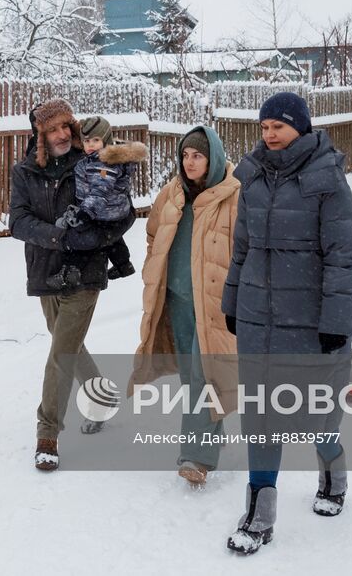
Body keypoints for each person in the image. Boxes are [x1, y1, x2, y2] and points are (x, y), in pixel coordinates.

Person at [222, 92, 352, 555]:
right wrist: (233, 300)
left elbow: (343, 258)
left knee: (316, 413)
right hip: (260, 318)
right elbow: (241, 249)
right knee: (261, 413)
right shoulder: (255, 177)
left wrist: (337, 321)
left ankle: (332, 471)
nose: (269, 134)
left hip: (309, 320)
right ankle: (260, 511)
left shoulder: (327, 180)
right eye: (263, 127)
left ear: (300, 126)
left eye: (277, 126)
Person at [9, 99, 134, 472]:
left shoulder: (94, 160)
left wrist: (93, 240)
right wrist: (57, 238)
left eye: (67, 126)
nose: (64, 134)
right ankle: (103, 400)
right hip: (47, 268)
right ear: (41, 136)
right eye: (54, 129)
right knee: (68, 342)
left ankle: (48, 433)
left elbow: (123, 212)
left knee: (61, 351)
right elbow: (18, 221)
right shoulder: (26, 172)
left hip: (85, 269)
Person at [130, 126, 239, 488]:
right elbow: (152, 233)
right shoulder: (172, 194)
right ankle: (209, 435)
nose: (189, 163)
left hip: (212, 302)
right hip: (175, 298)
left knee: (202, 373)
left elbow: (246, 248)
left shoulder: (233, 196)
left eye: (198, 156)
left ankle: (197, 457)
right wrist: (153, 266)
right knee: (192, 374)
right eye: (186, 156)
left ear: (214, 158)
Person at [49, 115, 142, 284]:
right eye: (87, 141)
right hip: (116, 211)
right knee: (111, 238)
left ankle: (72, 270)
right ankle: (123, 264)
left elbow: (100, 192)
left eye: (96, 140)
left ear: (106, 140)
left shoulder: (102, 164)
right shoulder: (102, 159)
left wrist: (85, 212)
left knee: (79, 236)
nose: (90, 145)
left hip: (103, 210)